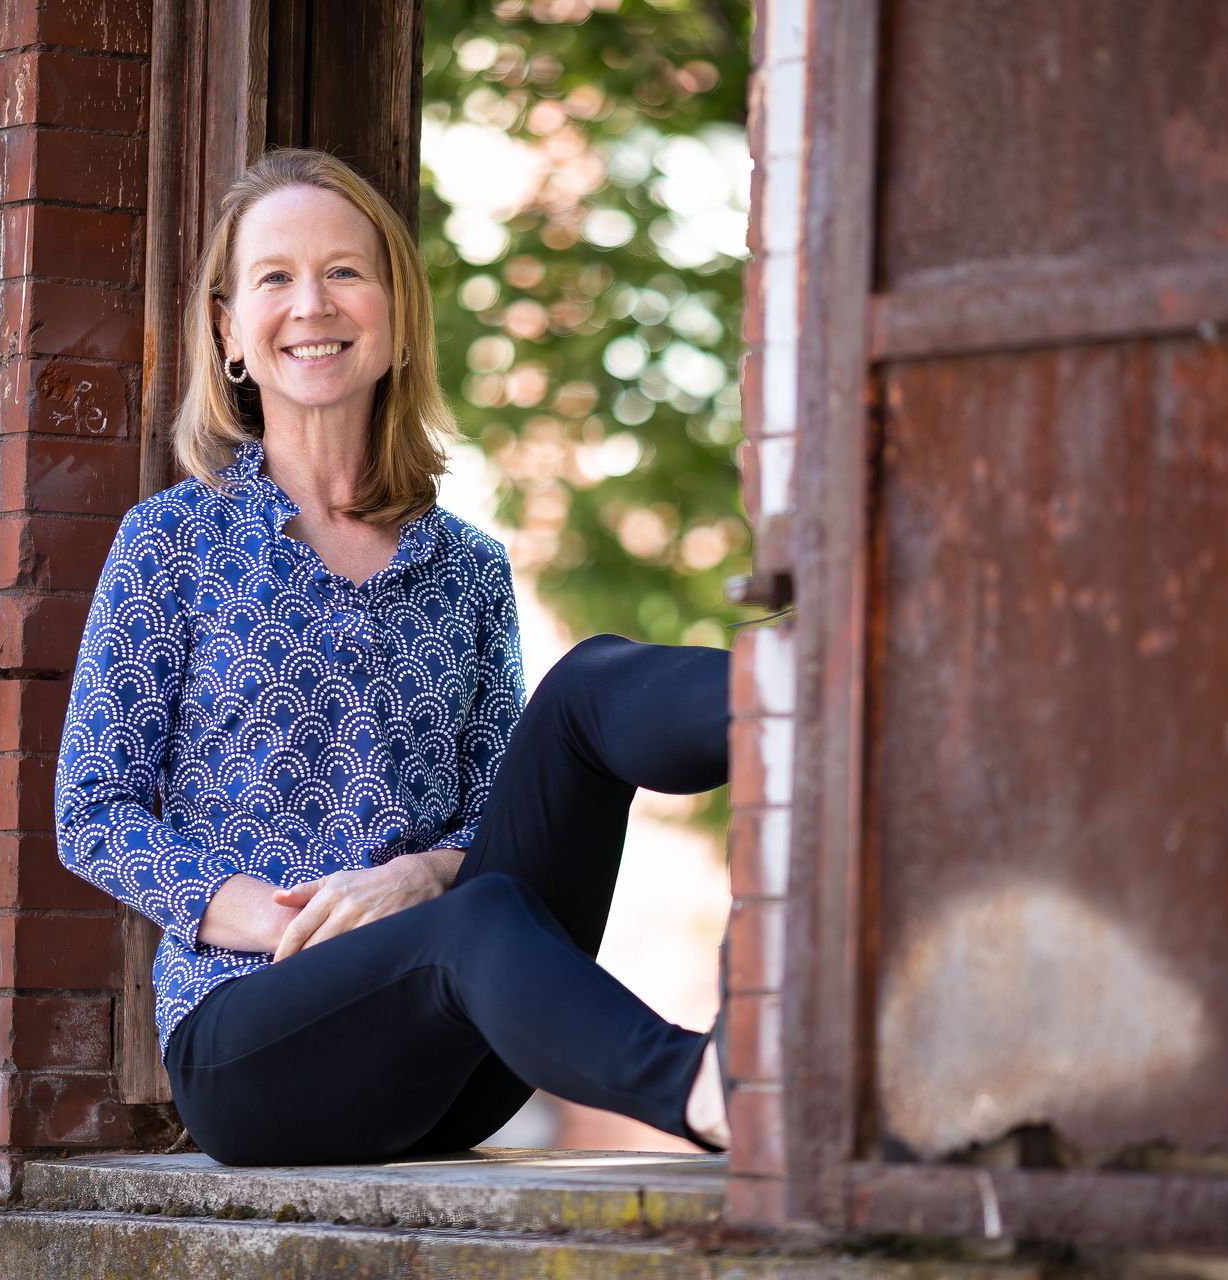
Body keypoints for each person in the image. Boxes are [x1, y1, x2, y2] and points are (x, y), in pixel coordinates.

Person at [53, 147, 733, 1164]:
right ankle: (714, 1092)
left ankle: (816, 705)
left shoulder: (469, 568)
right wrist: (249, 914)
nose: (312, 303)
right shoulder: (173, 542)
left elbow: (500, 815)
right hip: (254, 1048)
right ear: (231, 332)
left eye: (344, 272)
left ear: (395, 315)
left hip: (455, 1055)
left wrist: (420, 873)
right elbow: (91, 808)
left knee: (588, 684)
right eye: (275, 277)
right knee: (481, 917)